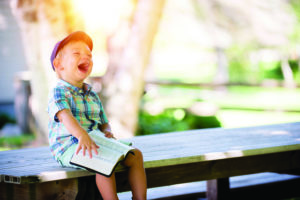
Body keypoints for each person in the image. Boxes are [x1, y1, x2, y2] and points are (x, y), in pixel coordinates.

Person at [47, 31, 147, 200]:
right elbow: (65, 116)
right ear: (59, 65)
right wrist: (82, 135)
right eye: (77, 53)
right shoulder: (59, 91)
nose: (85, 57)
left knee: (135, 155)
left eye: (89, 55)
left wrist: (107, 131)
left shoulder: (91, 93)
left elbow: (103, 121)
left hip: (95, 141)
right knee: (104, 161)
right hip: (69, 146)